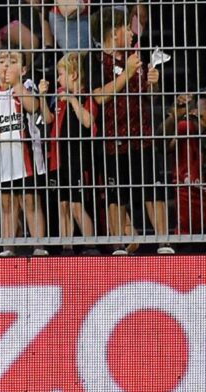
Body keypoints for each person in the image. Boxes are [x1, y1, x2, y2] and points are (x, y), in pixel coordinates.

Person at [88, 7, 172, 255]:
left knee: (152, 189)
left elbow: (149, 99)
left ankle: (164, 241)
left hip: (142, 134)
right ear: (114, 33)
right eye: (126, 28)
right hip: (112, 138)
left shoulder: (135, 57)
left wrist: (153, 85)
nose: (132, 33)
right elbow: (99, 96)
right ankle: (118, 245)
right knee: (116, 194)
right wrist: (127, 74)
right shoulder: (94, 59)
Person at [0, 49, 48, 257]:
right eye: (1, 61)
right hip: (0, 160)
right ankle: (8, 247)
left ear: (24, 69)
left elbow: (33, 107)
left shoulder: (26, 86)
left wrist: (17, 84)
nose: (6, 66)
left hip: (25, 158)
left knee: (30, 200)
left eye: (13, 61)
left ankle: (38, 246)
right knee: (7, 203)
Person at [39, 53, 100, 255]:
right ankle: (67, 247)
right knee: (62, 204)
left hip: (77, 158)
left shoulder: (85, 97)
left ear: (73, 75)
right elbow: (48, 119)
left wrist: (73, 100)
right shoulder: (58, 97)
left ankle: (90, 245)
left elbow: (88, 121)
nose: (58, 79)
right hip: (59, 158)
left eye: (61, 74)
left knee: (76, 205)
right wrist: (42, 97)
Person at [169, 97, 205, 239]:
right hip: (188, 216)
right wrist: (173, 118)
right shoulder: (186, 127)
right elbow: (162, 146)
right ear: (195, 111)